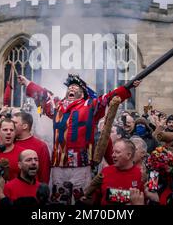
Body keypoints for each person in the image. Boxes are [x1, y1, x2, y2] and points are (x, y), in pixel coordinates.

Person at [17, 73, 141, 203]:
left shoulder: (91, 105)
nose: (71, 89)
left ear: (82, 93)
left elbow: (108, 97)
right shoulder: (57, 106)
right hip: (59, 163)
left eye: (75, 87)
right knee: (58, 200)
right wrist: (27, 83)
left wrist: (128, 87)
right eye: (69, 87)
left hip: (81, 164)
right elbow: (43, 95)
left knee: (81, 200)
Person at [96, 139, 144, 205]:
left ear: (129, 155)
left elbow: (143, 199)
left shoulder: (140, 174)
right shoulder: (105, 171)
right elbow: (95, 198)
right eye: (113, 152)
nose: (113, 155)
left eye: (117, 152)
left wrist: (112, 195)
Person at [11, 111, 51, 184]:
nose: (11, 125)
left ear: (25, 126)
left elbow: (44, 173)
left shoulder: (40, 146)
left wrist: (42, 191)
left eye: (15, 123)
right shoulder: (10, 143)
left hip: (33, 191)